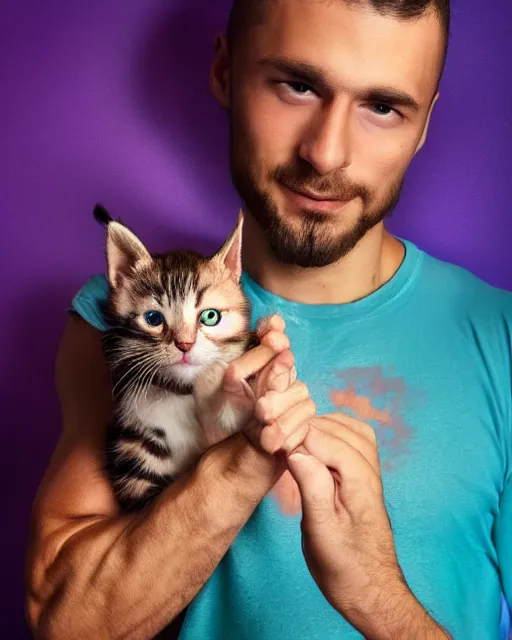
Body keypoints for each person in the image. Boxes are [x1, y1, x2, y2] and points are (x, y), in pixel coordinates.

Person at [25, 0, 512, 638]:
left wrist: (375, 596)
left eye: (383, 106)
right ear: (226, 72)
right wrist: (241, 461)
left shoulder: (500, 338)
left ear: (424, 126)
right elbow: (66, 623)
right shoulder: (118, 325)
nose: (327, 153)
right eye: (298, 85)